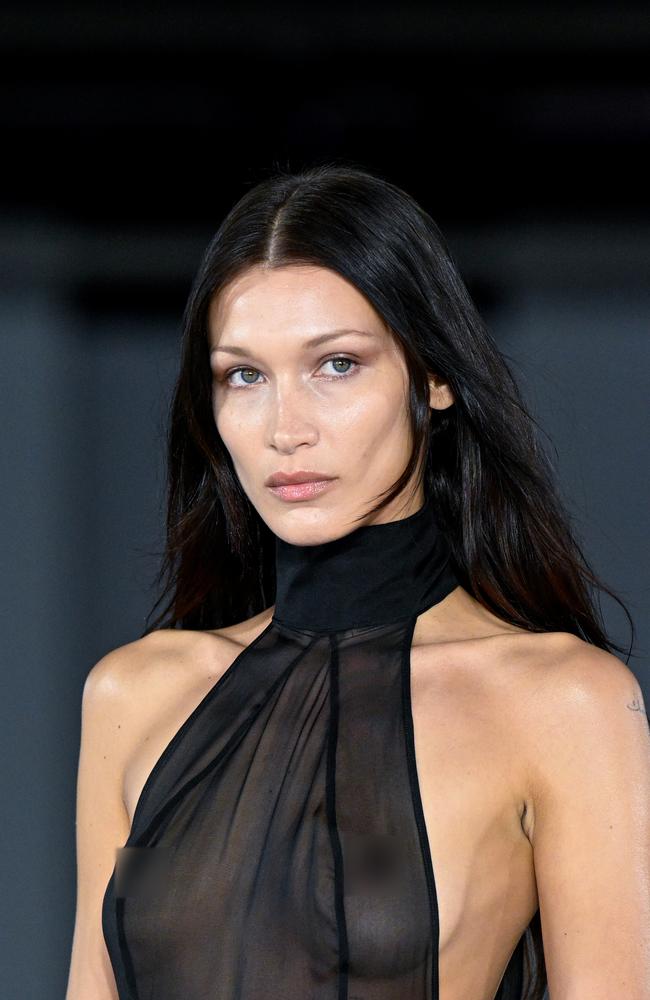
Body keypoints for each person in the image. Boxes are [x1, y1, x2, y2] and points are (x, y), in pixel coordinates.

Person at [66, 164, 650, 1000]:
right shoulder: (135, 693)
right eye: (244, 376)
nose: (285, 429)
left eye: (336, 365)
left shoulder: (564, 703)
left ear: (434, 377)